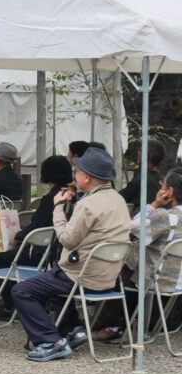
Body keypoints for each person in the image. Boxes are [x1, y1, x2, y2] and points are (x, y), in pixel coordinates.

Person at [11, 147, 131, 362]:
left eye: (77, 171)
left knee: (22, 291)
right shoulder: (117, 199)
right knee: (53, 282)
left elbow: (67, 239)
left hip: (81, 276)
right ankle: (73, 329)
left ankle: (51, 342)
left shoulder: (88, 204)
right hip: (109, 276)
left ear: (87, 177)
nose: (73, 174)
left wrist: (58, 207)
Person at [90, 167, 182, 341]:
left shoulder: (166, 217)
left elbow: (129, 227)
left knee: (117, 269)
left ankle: (113, 325)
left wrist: (154, 204)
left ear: (169, 191)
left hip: (158, 279)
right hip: (178, 280)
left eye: (162, 185)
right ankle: (121, 323)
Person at [0, 155, 73, 319]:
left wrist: (18, 235)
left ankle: (12, 304)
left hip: (43, 252)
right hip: (60, 251)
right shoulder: (72, 195)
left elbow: (35, 229)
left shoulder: (51, 199)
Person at [120, 139, 164, 206]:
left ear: (148, 154)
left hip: (141, 215)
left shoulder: (141, 180)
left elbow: (120, 198)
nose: (138, 152)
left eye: (140, 150)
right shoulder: (163, 180)